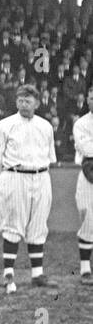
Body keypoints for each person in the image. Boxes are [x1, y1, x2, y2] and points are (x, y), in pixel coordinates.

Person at [0, 84, 56, 294]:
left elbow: (50, 157)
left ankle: (37, 274)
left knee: (38, 226)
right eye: (20, 100)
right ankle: (9, 273)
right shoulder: (5, 125)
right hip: (15, 177)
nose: (24, 104)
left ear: (37, 102)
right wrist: (3, 181)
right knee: (13, 225)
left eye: (28, 101)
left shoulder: (45, 126)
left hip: (41, 176)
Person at [73, 87, 93, 283]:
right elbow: (86, 148)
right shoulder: (81, 123)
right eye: (92, 98)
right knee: (88, 217)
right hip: (89, 173)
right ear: (87, 100)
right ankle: (85, 268)